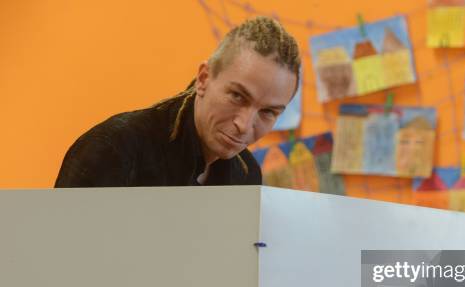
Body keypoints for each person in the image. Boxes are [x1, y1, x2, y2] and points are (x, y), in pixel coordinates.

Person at [55, 17, 300, 187]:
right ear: (204, 78)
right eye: (237, 96)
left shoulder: (247, 174)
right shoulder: (116, 147)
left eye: (268, 111)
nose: (244, 125)